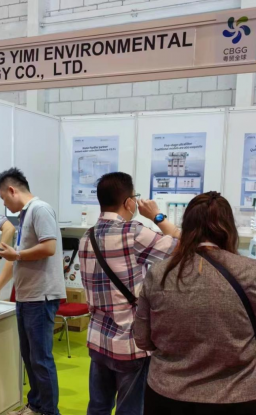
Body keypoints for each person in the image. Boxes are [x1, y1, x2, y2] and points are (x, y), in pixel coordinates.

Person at [133, 192, 256, 415]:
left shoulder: (160, 273)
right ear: (229, 228)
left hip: (168, 394)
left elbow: (142, 339)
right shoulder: (254, 271)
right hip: (238, 396)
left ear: (187, 226)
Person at [78, 172, 180, 415]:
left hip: (97, 338)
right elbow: (182, 244)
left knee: (98, 407)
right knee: (131, 409)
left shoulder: (86, 237)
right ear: (129, 202)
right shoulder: (133, 233)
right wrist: (157, 215)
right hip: (130, 342)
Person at [0, 167, 65, 415]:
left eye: (3, 198)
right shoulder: (25, 215)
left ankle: (49, 411)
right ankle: (35, 406)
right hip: (26, 297)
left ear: (12, 190)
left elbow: (49, 247)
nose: (4, 204)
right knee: (30, 357)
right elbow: (14, 259)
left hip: (40, 296)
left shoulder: (40, 209)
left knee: (41, 359)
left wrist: (18, 254)